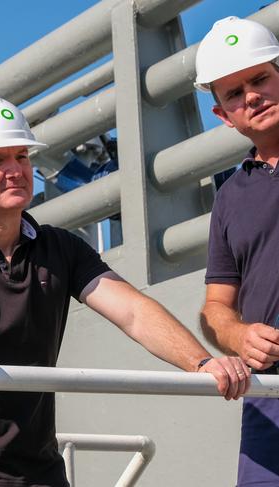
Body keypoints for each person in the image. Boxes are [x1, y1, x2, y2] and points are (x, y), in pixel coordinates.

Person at [0, 91, 249, 487]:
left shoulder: (60, 247)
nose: (16, 169)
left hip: (40, 472)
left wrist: (201, 363)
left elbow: (133, 311)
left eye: (22, 157)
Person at [196, 16, 279, 487]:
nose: (251, 95)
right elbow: (215, 308)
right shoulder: (230, 195)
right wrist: (238, 336)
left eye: (260, 78)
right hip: (269, 400)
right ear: (223, 116)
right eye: (233, 93)